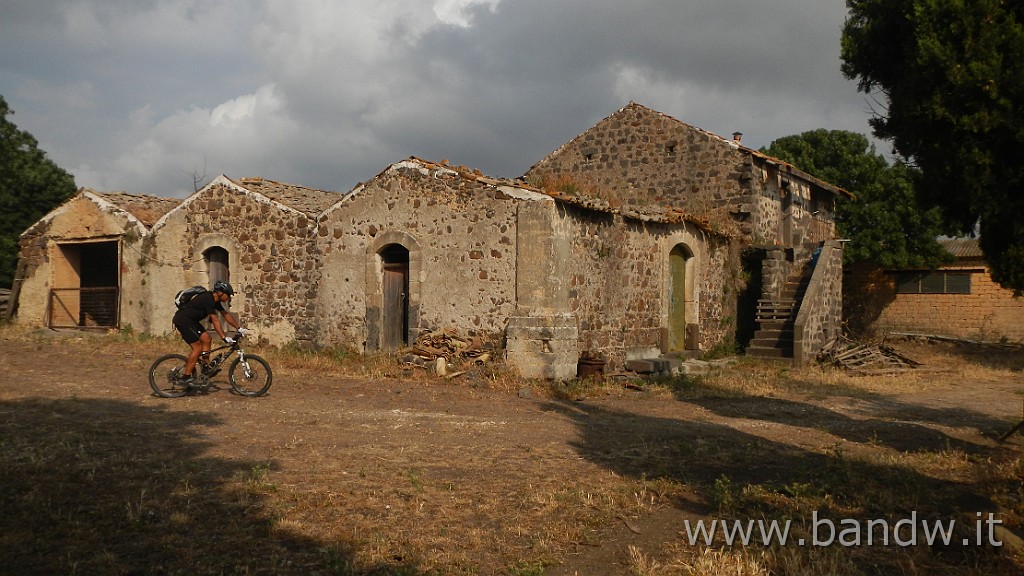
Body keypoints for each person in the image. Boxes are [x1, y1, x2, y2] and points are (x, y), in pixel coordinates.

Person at [172, 280, 241, 385]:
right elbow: (215, 320)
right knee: (197, 347)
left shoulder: (215, 301)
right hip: (183, 321)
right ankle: (185, 377)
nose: (229, 298)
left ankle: (205, 368)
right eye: (228, 294)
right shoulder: (208, 298)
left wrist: (238, 327)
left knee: (207, 339)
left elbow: (225, 315)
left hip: (192, 321)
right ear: (220, 292)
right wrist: (224, 337)